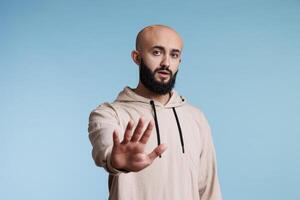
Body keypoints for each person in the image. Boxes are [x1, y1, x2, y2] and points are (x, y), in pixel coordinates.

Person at [88, 24, 222, 200]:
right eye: (157, 52)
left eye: (174, 55)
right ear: (137, 57)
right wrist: (117, 162)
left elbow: (208, 188)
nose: (166, 63)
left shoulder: (196, 117)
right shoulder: (109, 114)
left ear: (179, 61)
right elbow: (105, 150)